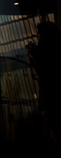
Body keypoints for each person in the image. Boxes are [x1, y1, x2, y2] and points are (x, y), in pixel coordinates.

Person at [28, 21, 61, 150]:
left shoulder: (45, 51)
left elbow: (43, 70)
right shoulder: (56, 49)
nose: (37, 37)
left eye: (39, 34)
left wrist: (34, 55)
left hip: (51, 96)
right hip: (53, 96)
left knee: (54, 124)